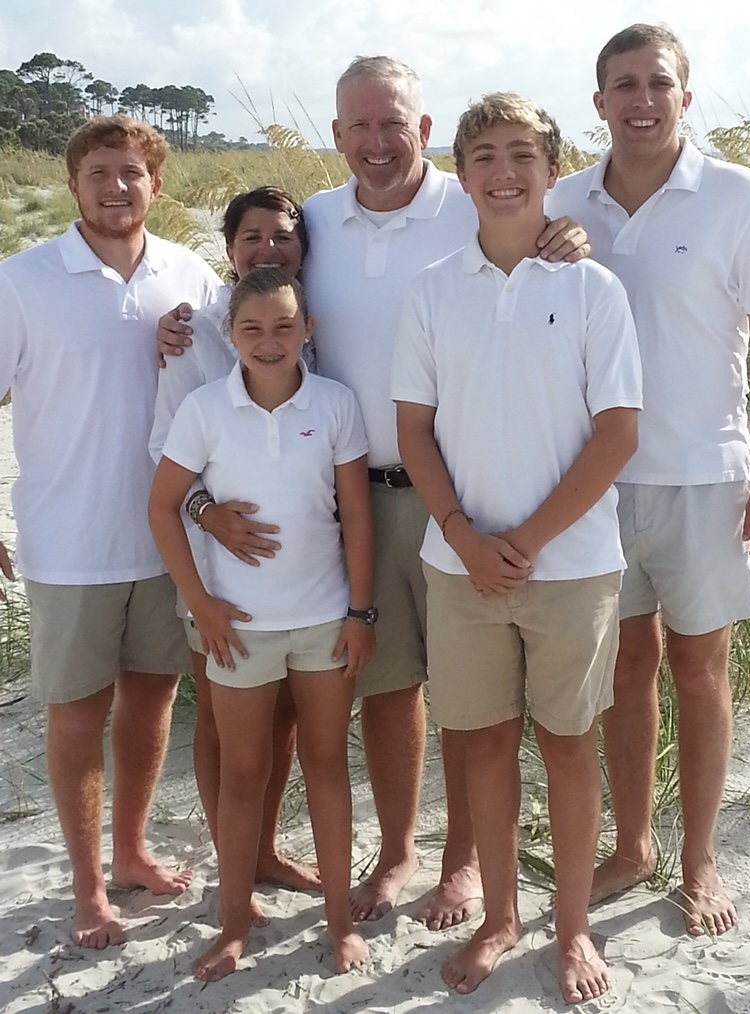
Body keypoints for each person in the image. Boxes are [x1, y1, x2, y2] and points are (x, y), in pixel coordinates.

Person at [158, 56, 590, 930]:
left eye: (393, 123)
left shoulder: (473, 200)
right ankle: (399, 854)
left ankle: (463, 864)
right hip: (353, 499)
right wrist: (180, 316)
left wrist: (568, 236)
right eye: (357, 126)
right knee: (391, 688)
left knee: (476, 692)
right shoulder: (315, 220)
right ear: (336, 134)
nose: (376, 142)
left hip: (465, 492)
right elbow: (248, 292)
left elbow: (541, 229)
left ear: (426, 131)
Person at [545, 23, 750, 936]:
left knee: (698, 670)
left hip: (708, 477)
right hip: (595, 484)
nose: (642, 100)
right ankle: (631, 845)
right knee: (624, 668)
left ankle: (698, 858)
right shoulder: (562, 200)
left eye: (659, 83)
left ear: (685, 98)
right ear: (599, 102)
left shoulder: (737, 194)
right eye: (624, 84)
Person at [393, 93, 641, 1002]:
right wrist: (464, 535)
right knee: (484, 747)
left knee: (571, 748)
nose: (504, 172)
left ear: (550, 169)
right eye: (485, 155)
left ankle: (570, 932)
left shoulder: (591, 288)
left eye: (524, 156)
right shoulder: (431, 288)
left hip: (573, 568)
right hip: (457, 567)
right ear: (463, 172)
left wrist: (525, 542)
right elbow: (413, 429)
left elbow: (618, 432)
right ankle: (500, 917)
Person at [0, 115, 222, 948]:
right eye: (98, 172)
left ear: (155, 185)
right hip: (69, 539)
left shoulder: (190, 274)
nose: (115, 187)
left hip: (170, 541)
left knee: (151, 700)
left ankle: (131, 853)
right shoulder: (22, 281)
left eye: (131, 172)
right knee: (74, 713)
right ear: (72, 183)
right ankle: (88, 887)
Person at [149, 266, 374, 980]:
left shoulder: (336, 404)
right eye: (251, 328)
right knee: (242, 778)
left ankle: (340, 924)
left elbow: (358, 515)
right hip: (238, 628)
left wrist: (360, 612)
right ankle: (234, 926)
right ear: (231, 335)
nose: (269, 341)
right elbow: (163, 507)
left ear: (308, 329)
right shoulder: (206, 410)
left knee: (327, 769)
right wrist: (201, 602)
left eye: (284, 326)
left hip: (323, 624)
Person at [149, 187, 320, 903]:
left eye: (282, 236)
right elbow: (166, 450)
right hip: (214, 562)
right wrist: (208, 513)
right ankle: (234, 866)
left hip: (296, 571)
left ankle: (263, 851)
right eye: (251, 237)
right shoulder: (195, 331)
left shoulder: (305, 319)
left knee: (278, 717)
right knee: (223, 716)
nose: (267, 248)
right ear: (229, 247)